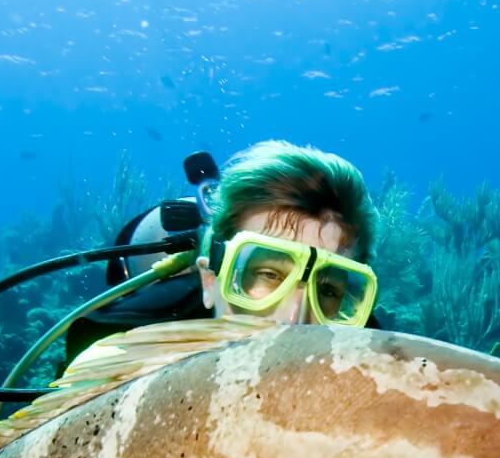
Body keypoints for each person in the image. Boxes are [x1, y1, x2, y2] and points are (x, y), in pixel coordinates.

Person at [63, 140, 380, 364]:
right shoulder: (120, 345)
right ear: (209, 280)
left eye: (327, 289)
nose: (295, 320)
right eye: (268, 274)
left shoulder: (378, 362)